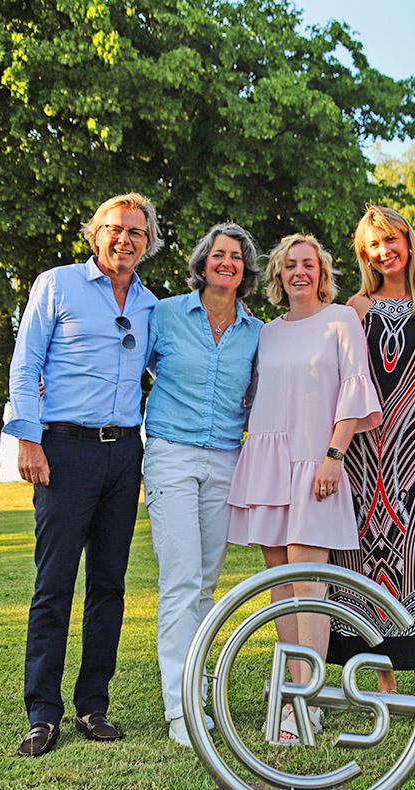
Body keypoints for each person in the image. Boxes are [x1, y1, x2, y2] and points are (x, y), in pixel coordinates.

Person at [5, 192, 161, 757]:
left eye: (136, 232)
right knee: (54, 586)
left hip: (125, 454)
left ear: (148, 241)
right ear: (96, 234)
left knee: (109, 585)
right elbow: (26, 365)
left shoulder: (150, 306)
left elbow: (172, 370)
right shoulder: (57, 284)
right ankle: (42, 713)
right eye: (116, 229)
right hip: (63, 451)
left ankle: (93, 705)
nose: (126, 240)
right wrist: (28, 439)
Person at [226, 233, 382, 744]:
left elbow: (355, 389)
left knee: (309, 580)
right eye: (290, 265)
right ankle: (292, 690)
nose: (299, 272)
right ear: (277, 274)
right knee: (279, 583)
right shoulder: (266, 333)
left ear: (322, 271)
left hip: (316, 461)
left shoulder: (341, 321)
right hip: (267, 459)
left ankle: (308, 700)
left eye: (308, 264)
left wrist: (334, 456)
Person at [327, 206, 415, 732]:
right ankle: (383, 690)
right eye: (374, 244)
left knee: (414, 566)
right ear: (365, 254)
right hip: (361, 456)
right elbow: (337, 381)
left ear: (409, 242)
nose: (386, 251)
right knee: (360, 567)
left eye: (393, 239)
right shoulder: (355, 307)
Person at [143, 222, 263, 747]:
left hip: (225, 460)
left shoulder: (256, 332)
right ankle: (182, 710)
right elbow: (132, 368)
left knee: (207, 584)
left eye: (236, 257)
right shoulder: (165, 314)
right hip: (170, 454)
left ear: (246, 269)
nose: (227, 263)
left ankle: (196, 685)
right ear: (202, 262)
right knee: (180, 580)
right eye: (219, 255)